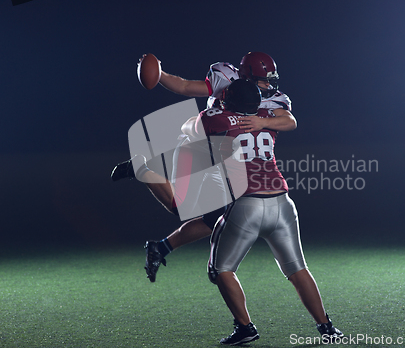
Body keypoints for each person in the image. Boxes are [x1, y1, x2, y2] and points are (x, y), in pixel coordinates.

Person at [181, 79, 343, 345]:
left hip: (247, 204)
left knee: (220, 269)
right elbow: (289, 120)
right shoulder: (268, 116)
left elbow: (188, 127)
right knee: (297, 269)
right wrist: (260, 118)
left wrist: (213, 108)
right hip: (282, 203)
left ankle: (245, 328)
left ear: (227, 100)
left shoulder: (216, 118)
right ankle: (326, 327)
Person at [111, 52, 297, 282]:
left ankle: (160, 248)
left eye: (271, 79)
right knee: (180, 206)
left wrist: (262, 122)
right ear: (245, 77)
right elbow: (185, 87)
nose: (268, 85)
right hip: (198, 147)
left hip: (227, 158)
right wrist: (160, 74)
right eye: (263, 79)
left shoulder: (275, 99)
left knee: (219, 216)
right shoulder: (225, 78)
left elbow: (290, 121)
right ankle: (140, 169)